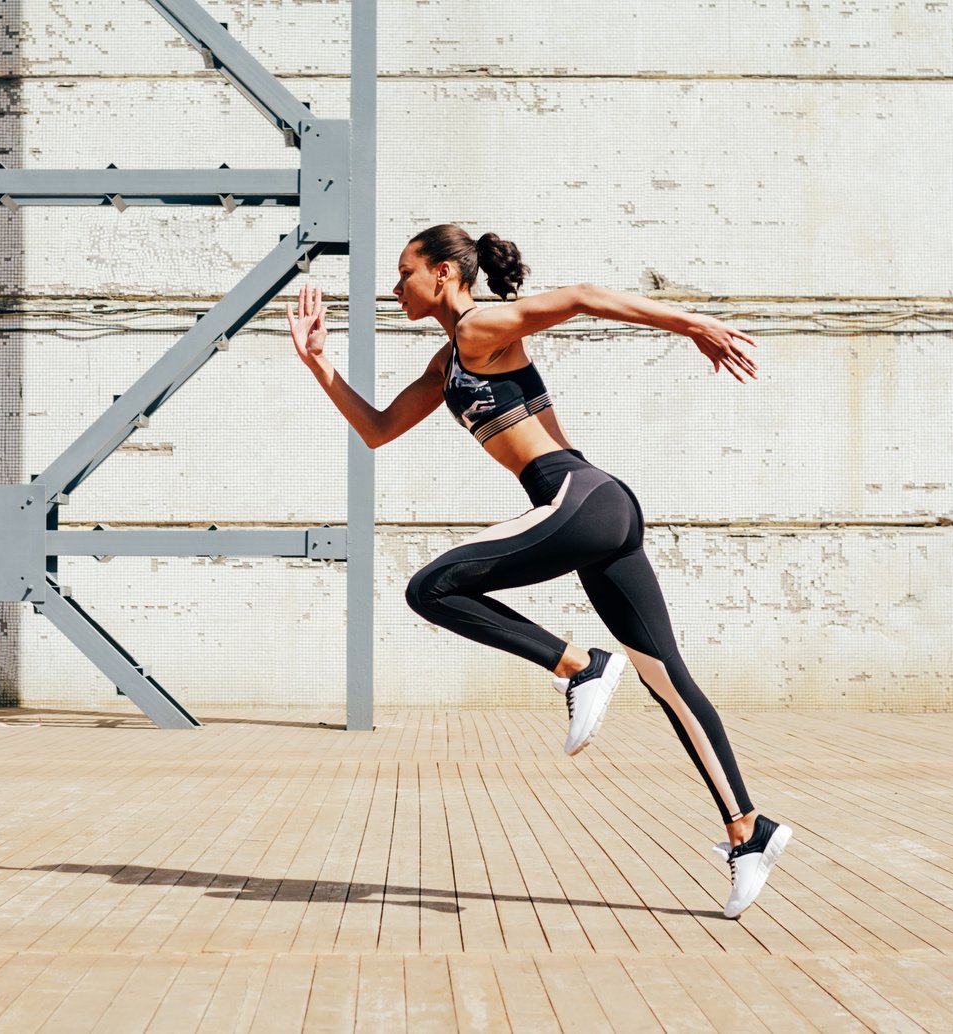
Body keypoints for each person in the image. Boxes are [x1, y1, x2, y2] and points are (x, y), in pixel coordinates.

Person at [285, 223, 791, 918]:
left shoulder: (479, 327)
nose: (393, 287)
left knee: (431, 587)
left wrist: (691, 322)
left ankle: (580, 667)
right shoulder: (448, 362)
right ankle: (748, 829)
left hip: (578, 501)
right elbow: (377, 429)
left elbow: (580, 297)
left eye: (403, 273)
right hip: (599, 513)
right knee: (667, 680)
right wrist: (319, 364)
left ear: (442, 275)